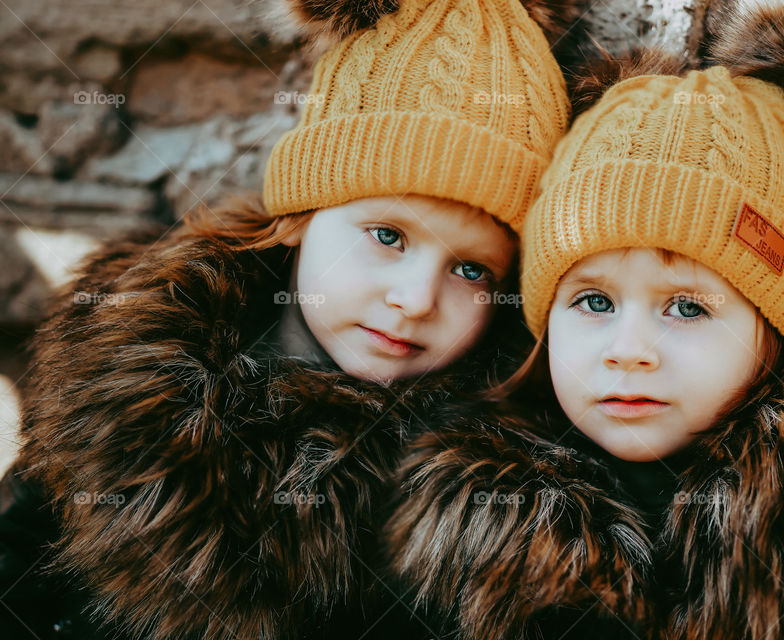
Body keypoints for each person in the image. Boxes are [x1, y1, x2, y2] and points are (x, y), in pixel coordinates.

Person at [0, 0, 583, 638]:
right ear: (301, 216)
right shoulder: (116, 373)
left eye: (473, 271)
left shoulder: (480, 490)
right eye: (387, 235)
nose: (417, 299)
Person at [383, 4, 784, 639]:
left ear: (780, 330)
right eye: (594, 303)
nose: (629, 351)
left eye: (687, 307)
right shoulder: (460, 534)